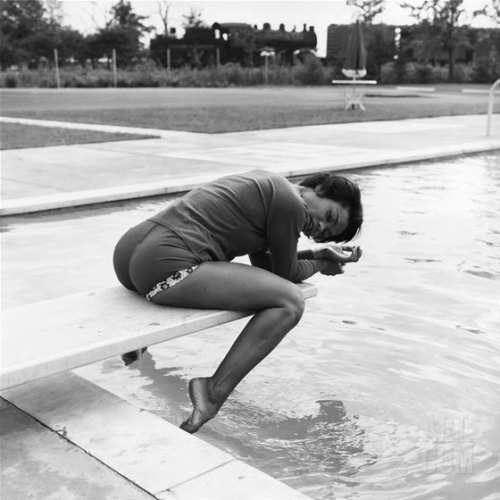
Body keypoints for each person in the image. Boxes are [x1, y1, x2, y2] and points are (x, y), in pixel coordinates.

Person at [113, 170, 363, 434]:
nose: (320, 226)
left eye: (325, 233)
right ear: (318, 188)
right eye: (329, 216)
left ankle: (136, 346)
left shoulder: (272, 187)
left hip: (131, 253)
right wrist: (323, 264)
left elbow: (267, 265)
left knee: (266, 287)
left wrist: (318, 253)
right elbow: (285, 275)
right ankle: (212, 391)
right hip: (163, 264)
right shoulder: (293, 205)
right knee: (290, 302)